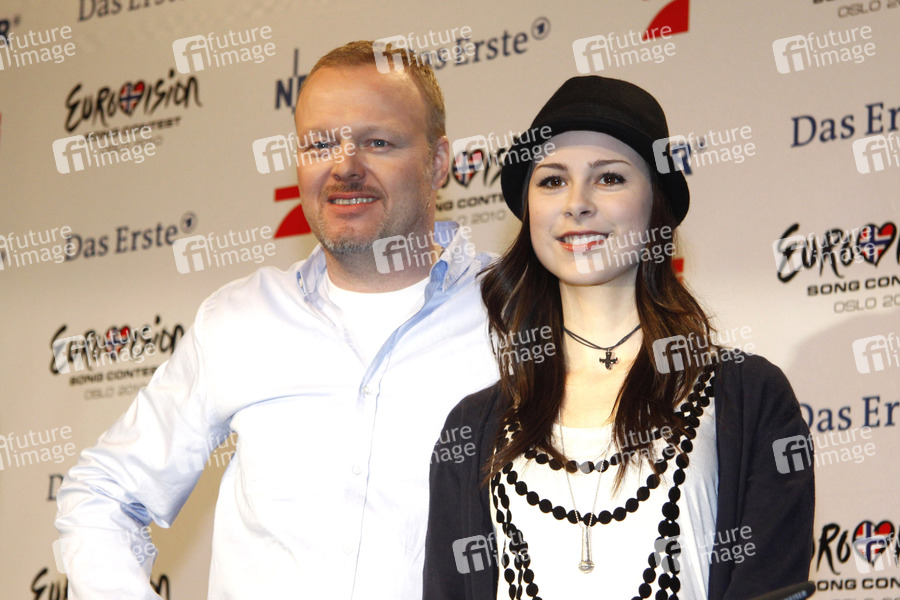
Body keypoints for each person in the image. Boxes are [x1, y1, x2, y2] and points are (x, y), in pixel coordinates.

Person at [54, 40, 498, 599]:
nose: (344, 166)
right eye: (319, 144)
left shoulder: (516, 313)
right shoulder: (239, 319)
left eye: (377, 142)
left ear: (438, 163)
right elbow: (101, 494)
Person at [423, 76, 815, 600]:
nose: (577, 203)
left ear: (656, 205)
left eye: (609, 178)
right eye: (552, 181)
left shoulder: (750, 396)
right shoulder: (473, 426)